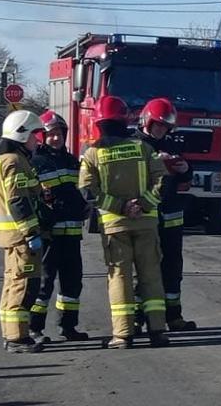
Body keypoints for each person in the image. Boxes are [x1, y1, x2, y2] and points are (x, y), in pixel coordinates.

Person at [78, 95, 170, 349]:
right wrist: (143, 204)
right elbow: (162, 181)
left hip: (115, 227)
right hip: (146, 224)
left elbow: (87, 191)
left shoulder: (92, 154)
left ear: (99, 122)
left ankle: (123, 334)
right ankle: (157, 331)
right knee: (151, 275)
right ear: (125, 121)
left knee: (119, 277)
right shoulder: (144, 149)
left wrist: (121, 207)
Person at [28, 110, 90, 342]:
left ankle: (68, 327)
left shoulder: (72, 161)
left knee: (72, 283)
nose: (55, 138)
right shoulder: (35, 163)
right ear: (42, 136)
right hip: (49, 236)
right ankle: (35, 329)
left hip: (72, 234)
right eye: (50, 134)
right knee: (43, 285)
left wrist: (85, 206)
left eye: (59, 133)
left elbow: (80, 191)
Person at [0, 110, 48, 354]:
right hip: (21, 237)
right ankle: (17, 338)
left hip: (14, 237)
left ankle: (13, 334)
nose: (38, 140)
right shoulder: (14, 162)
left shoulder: (9, 160)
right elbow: (17, 201)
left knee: (13, 284)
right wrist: (31, 232)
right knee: (23, 286)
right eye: (36, 135)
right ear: (22, 135)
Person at [137, 98, 197, 331]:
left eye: (165, 127)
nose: (161, 131)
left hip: (171, 215)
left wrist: (184, 170)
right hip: (145, 216)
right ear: (147, 122)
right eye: (158, 126)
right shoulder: (136, 145)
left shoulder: (171, 145)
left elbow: (184, 178)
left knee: (172, 267)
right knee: (143, 266)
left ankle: (174, 316)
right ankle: (137, 318)